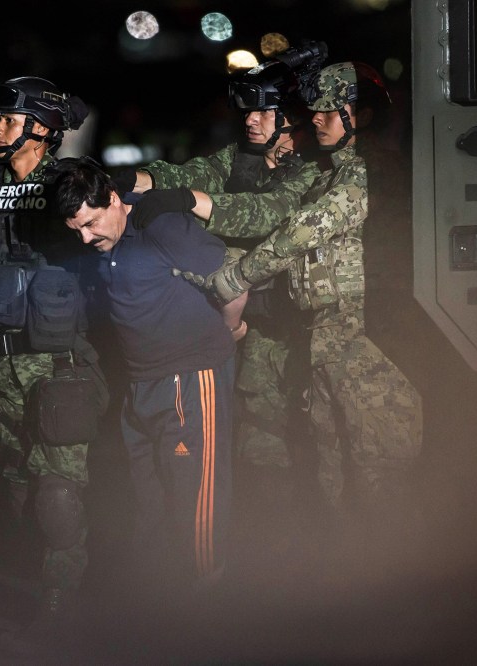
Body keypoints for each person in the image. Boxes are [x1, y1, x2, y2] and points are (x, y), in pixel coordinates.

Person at [177, 62, 423, 528]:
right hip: (326, 339)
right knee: (332, 470)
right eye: (316, 109)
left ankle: (395, 580)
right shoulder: (323, 173)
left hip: (366, 338)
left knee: (376, 470)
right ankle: (344, 576)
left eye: (332, 110)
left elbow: (300, 231)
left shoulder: (370, 171)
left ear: (361, 116)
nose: (317, 118)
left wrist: (233, 280)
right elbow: (268, 211)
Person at [111, 39, 328, 532]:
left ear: (291, 117)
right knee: (251, 448)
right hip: (241, 328)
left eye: (262, 111)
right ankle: (262, 550)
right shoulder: (241, 157)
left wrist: (189, 200)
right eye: (246, 110)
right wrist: (131, 179)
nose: (250, 120)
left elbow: (265, 215)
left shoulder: (311, 167)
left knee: (309, 441)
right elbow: (186, 173)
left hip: (298, 331)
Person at [0, 76, 107, 649]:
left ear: (41, 128)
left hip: (58, 365)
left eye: (10, 119)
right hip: (3, 366)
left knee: (59, 495)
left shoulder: (68, 183)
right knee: (20, 491)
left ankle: (61, 612)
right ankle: (35, 598)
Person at [50, 156, 238, 601]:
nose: (86, 237)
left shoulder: (160, 225)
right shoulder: (101, 241)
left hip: (189, 378)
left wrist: (230, 331)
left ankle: (209, 609)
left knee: (198, 500)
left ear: (115, 199)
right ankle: (158, 609)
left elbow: (234, 278)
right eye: (75, 229)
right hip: (140, 386)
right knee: (148, 498)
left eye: (92, 223)